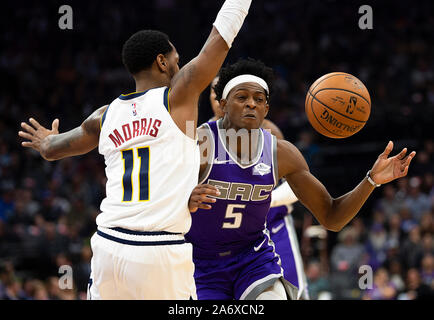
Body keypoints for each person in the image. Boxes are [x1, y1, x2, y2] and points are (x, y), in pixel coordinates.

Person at [18, 0, 253, 300]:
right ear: (162, 62)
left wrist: (45, 141)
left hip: (108, 246)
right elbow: (221, 38)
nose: (180, 67)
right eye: (177, 60)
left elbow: (52, 150)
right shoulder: (177, 97)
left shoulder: (104, 116)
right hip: (158, 252)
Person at [186, 58, 416, 300]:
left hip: (252, 260)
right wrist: (185, 199)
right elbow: (154, 200)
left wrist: (371, 180)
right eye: (241, 97)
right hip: (201, 263)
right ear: (223, 103)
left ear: (267, 109)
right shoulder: (198, 144)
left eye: (259, 99)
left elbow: (332, 217)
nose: (251, 104)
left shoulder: (282, 153)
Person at [207, 76, 309, 299]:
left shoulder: (269, 133)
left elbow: (295, 189)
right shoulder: (202, 138)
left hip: (271, 226)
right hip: (222, 242)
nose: (217, 99)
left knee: (294, 292)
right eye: (214, 94)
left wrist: (264, 199)